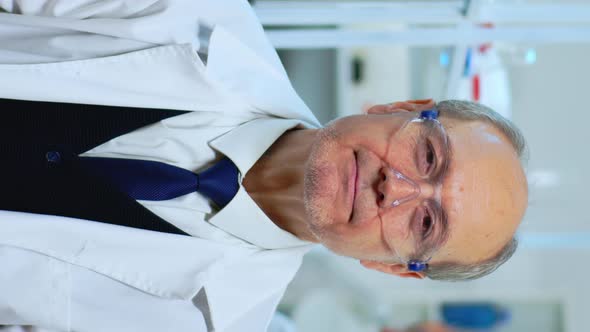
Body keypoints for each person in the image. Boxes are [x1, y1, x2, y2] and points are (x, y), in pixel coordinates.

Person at [0, 1, 528, 331]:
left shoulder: (201, 322)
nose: (400, 187)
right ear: (399, 110)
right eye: (428, 156)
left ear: (391, 268)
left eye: (425, 223)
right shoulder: (197, 16)